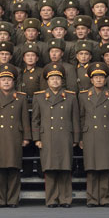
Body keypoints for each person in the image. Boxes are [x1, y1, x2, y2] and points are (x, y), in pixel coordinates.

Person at [33, 69, 79, 207]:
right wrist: (37, 139)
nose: (55, 81)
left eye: (58, 79)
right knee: (50, 169)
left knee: (65, 169)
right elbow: (35, 120)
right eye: (52, 79)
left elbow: (75, 119)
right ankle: (52, 199)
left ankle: (65, 199)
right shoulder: (39, 97)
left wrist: (76, 139)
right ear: (47, 81)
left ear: (62, 81)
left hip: (65, 136)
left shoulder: (70, 96)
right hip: (47, 137)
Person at [0, 69, 29, 207]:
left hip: (14, 136)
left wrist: (26, 137)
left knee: (14, 168)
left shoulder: (21, 97)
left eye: (9, 80)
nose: (6, 82)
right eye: (3, 80)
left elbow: (25, 119)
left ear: (13, 82)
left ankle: (12, 200)